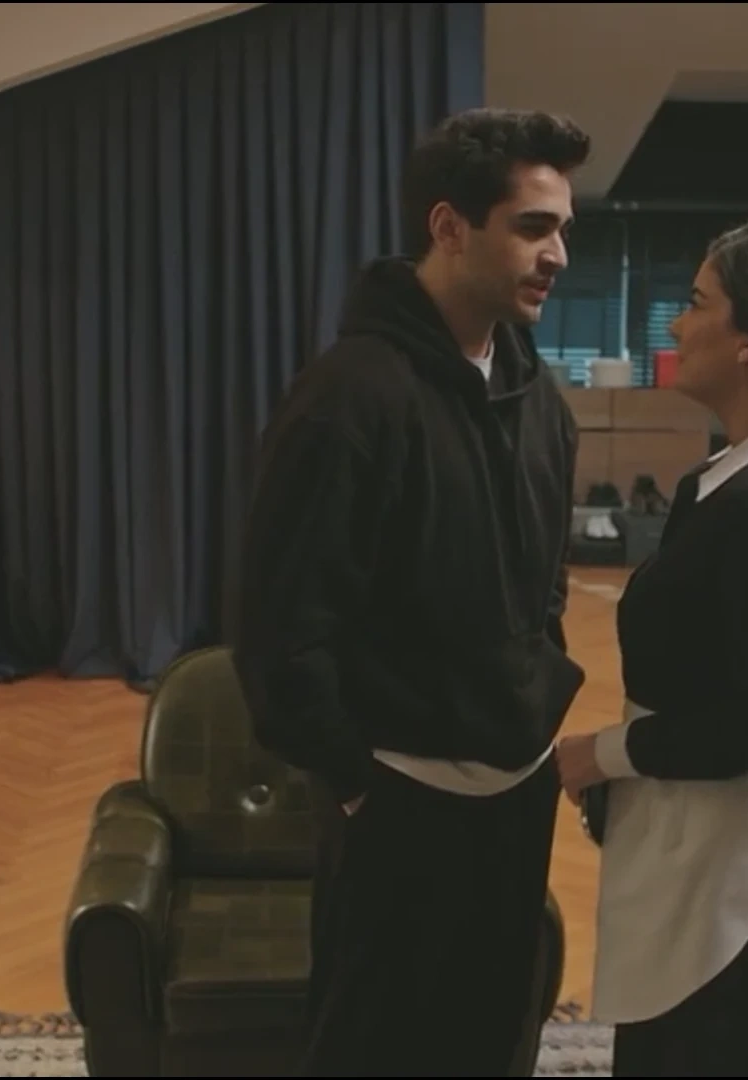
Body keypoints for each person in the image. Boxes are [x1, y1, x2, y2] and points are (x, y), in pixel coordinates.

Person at [225, 108, 593, 1077]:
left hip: (518, 793)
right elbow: (277, 628)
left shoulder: (541, 402)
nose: (558, 255)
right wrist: (354, 782)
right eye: (533, 227)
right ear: (448, 226)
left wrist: (537, 692)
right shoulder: (348, 398)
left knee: (494, 1040)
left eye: (563, 230)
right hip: (397, 804)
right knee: (375, 1050)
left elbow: (544, 584)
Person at [554, 216, 748, 1077]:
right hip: (706, 833)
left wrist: (602, 754)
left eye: (696, 303)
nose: (676, 323)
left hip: (742, 859)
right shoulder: (734, 478)